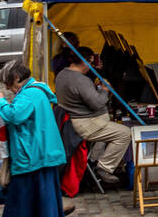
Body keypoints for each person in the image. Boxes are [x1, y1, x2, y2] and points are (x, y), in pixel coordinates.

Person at [0, 60, 67, 217]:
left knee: (29, 206)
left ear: (16, 78)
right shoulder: (39, 90)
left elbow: (14, 116)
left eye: (8, 83)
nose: (7, 88)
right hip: (44, 156)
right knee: (41, 204)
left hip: (32, 158)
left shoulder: (28, 94)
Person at [55, 46, 130, 188]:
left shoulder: (62, 75)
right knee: (125, 133)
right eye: (91, 62)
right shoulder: (80, 80)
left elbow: (80, 95)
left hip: (74, 122)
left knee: (112, 130)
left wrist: (95, 88)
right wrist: (104, 90)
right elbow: (97, 103)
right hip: (87, 123)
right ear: (85, 61)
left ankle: (95, 160)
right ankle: (105, 168)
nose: (92, 66)